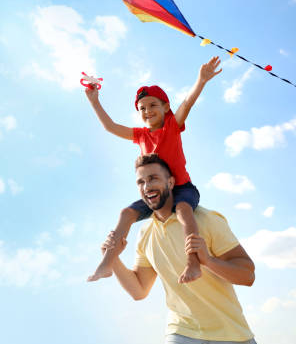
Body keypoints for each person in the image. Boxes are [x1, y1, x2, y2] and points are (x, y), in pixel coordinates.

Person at [103, 153, 261, 344]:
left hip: (231, 336)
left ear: (170, 182)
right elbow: (139, 290)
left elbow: (248, 275)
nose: (147, 186)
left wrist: (208, 261)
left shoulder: (205, 219)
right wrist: (113, 258)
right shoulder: (145, 234)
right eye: (140, 182)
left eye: (153, 178)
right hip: (181, 333)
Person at [86, 56, 222, 283]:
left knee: (183, 211)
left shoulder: (172, 126)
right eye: (142, 108)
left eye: (152, 105)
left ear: (165, 107)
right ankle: (107, 263)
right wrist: (94, 100)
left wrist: (201, 80)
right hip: (155, 195)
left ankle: (193, 262)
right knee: (126, 214)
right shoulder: (140, 135)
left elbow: (187, 103)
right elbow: (110, 127)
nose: (147, 111)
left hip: (181, 189)